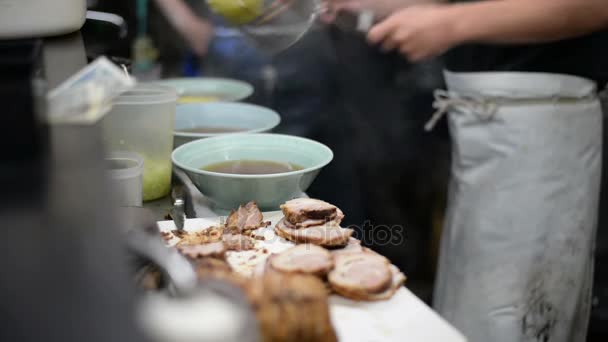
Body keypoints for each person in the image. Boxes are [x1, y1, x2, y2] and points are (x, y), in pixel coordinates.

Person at [324, 1, 608, 341]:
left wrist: (452, 24)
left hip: (541, 128)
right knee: (470, 315)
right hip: (483, 120)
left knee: (513, 320)